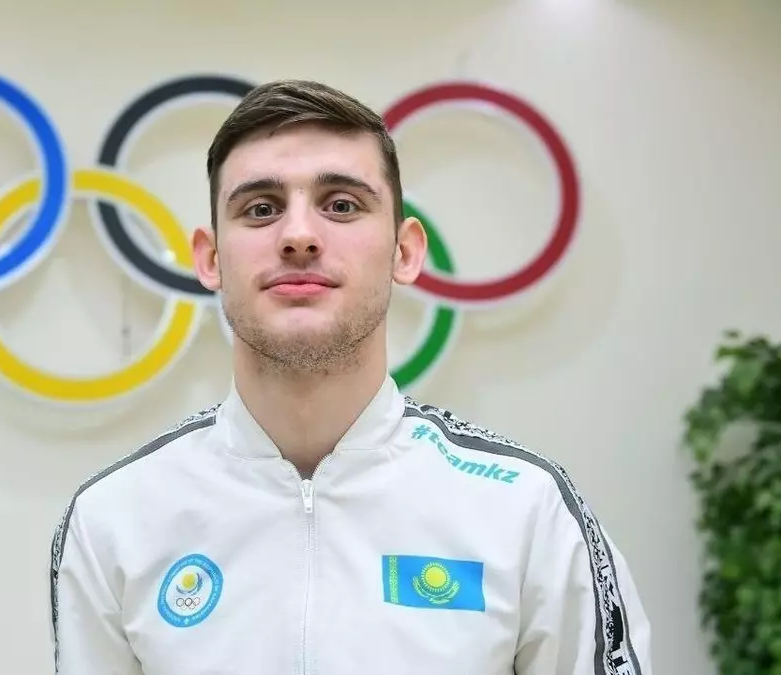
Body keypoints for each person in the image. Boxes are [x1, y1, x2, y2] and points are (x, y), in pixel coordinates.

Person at [48, 79, 652, 674]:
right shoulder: (113, 520)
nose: (299, 236)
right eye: (261, 209)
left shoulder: (527, 510)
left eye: (341, 205)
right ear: (210, 259)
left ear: (404, 251)